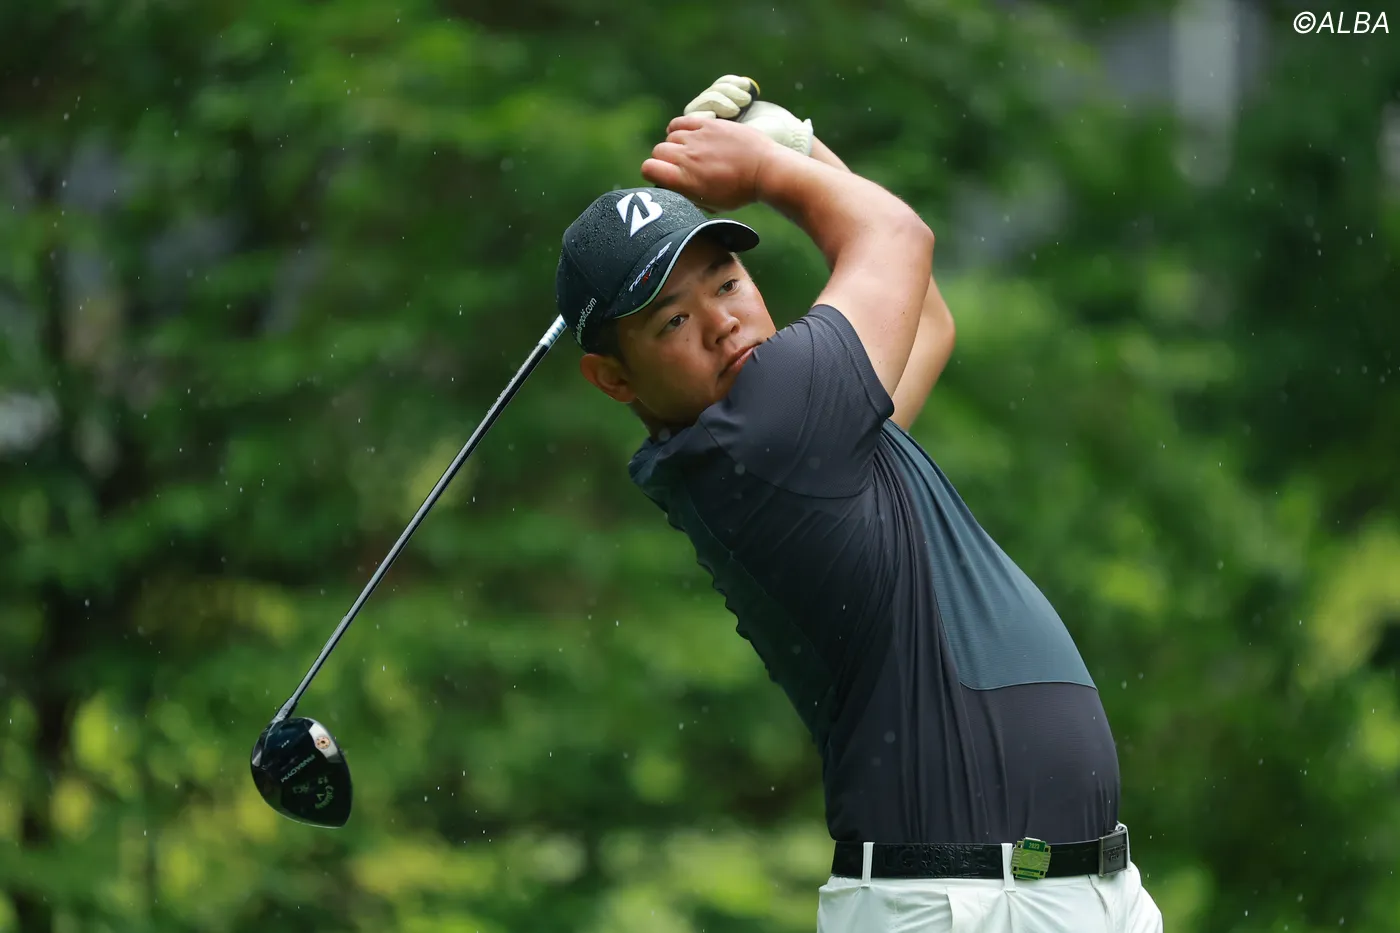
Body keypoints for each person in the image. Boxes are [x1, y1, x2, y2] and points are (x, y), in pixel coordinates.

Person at [554, 75, 1164, 933]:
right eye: (671, 322)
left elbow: (929, 316)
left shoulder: (800, 437)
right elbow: (898, 236)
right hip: (959, 904)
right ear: (615, 379)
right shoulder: (765, 427)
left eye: (725, 283)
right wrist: (767, 166)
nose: (722, 323)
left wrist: (796, 149)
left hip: (1059, 891)